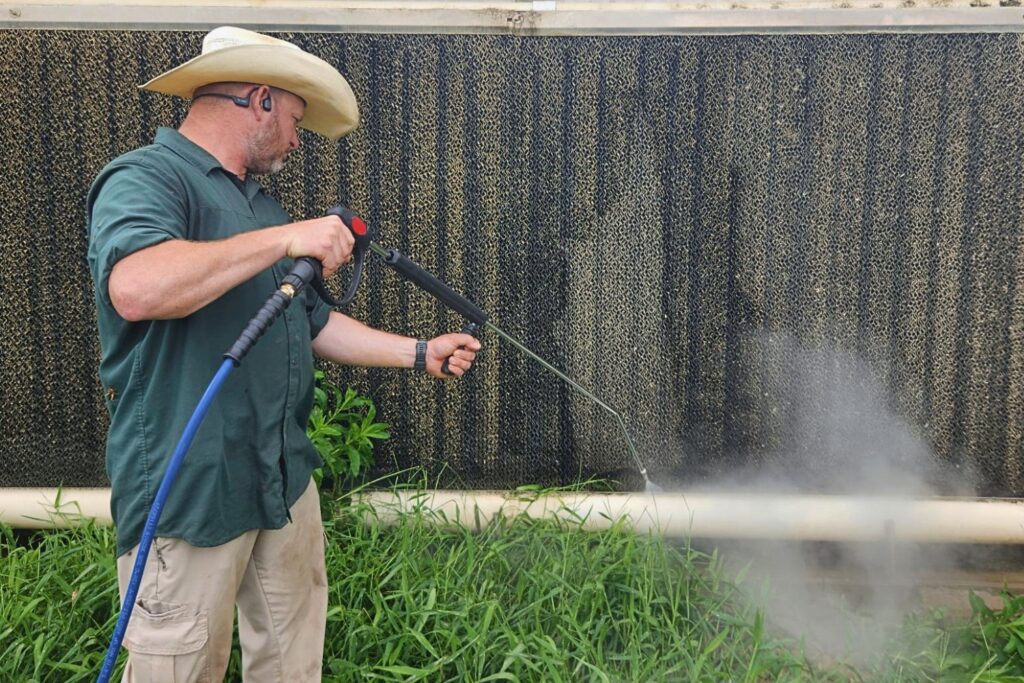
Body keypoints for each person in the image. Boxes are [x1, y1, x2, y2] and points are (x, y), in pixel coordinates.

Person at [86, 26, 480, 682]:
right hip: (190, 490)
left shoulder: (260, 206)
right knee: (180, 666)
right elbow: (137, 285)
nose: (299, 141)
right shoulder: (147, 177)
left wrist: (419, 352)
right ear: (260, 99)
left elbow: (309, 319)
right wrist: (286, 237)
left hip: (281, 479)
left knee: (293, 661)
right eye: (296, 121)